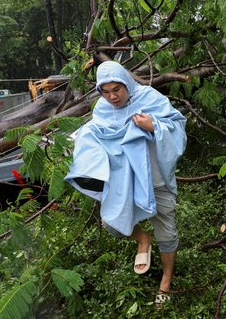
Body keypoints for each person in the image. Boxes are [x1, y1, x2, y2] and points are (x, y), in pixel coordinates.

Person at [65, 60, 187, 306]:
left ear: (126, 83)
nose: (112, 97)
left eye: (116, 90)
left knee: (167, 231)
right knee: (111, 222)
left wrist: (152, 126)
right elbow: (97, 133)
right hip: (126, 180)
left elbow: (177, 126)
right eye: (105, 91)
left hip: (156, 178)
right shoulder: (102, 108)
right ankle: (143, 239)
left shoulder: (149, 98)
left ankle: (166, 280)